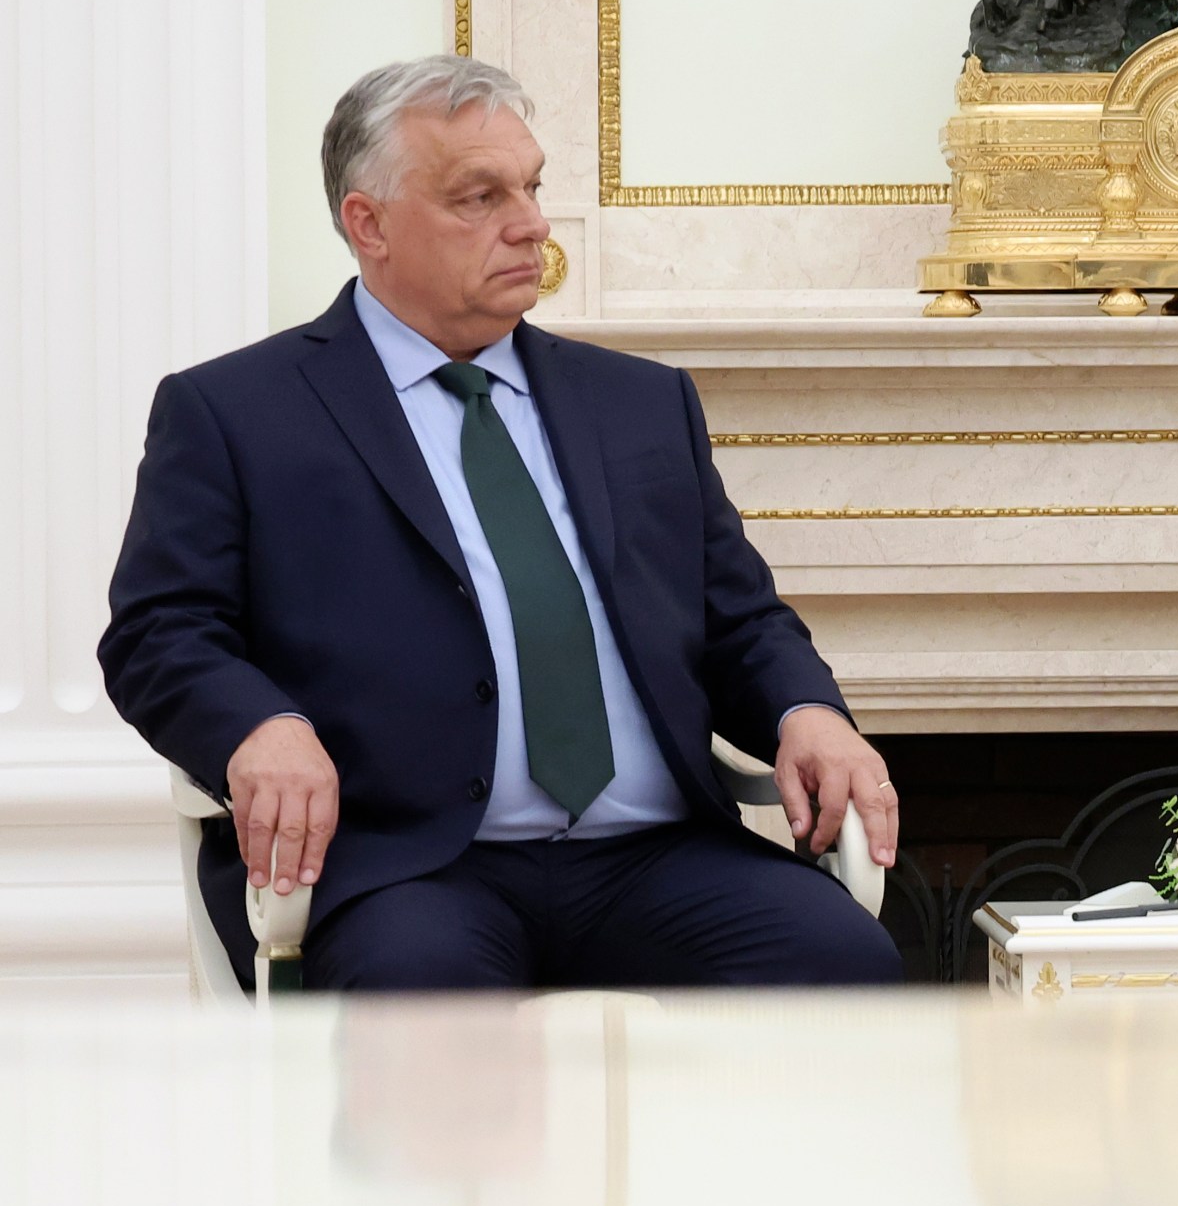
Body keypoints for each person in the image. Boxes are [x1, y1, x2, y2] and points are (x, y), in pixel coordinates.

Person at [99, 56, 903, 990]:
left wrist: (810, 714)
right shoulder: (237, 411)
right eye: (479, 197)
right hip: (410, 868)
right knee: (425, 1014)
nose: (529, 223)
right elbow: (160, 633)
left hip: (656, 857)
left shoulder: (640, 403)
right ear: (370, 225)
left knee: (845, 968)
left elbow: (741, 621)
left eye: (530, 187)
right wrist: (260, 727)